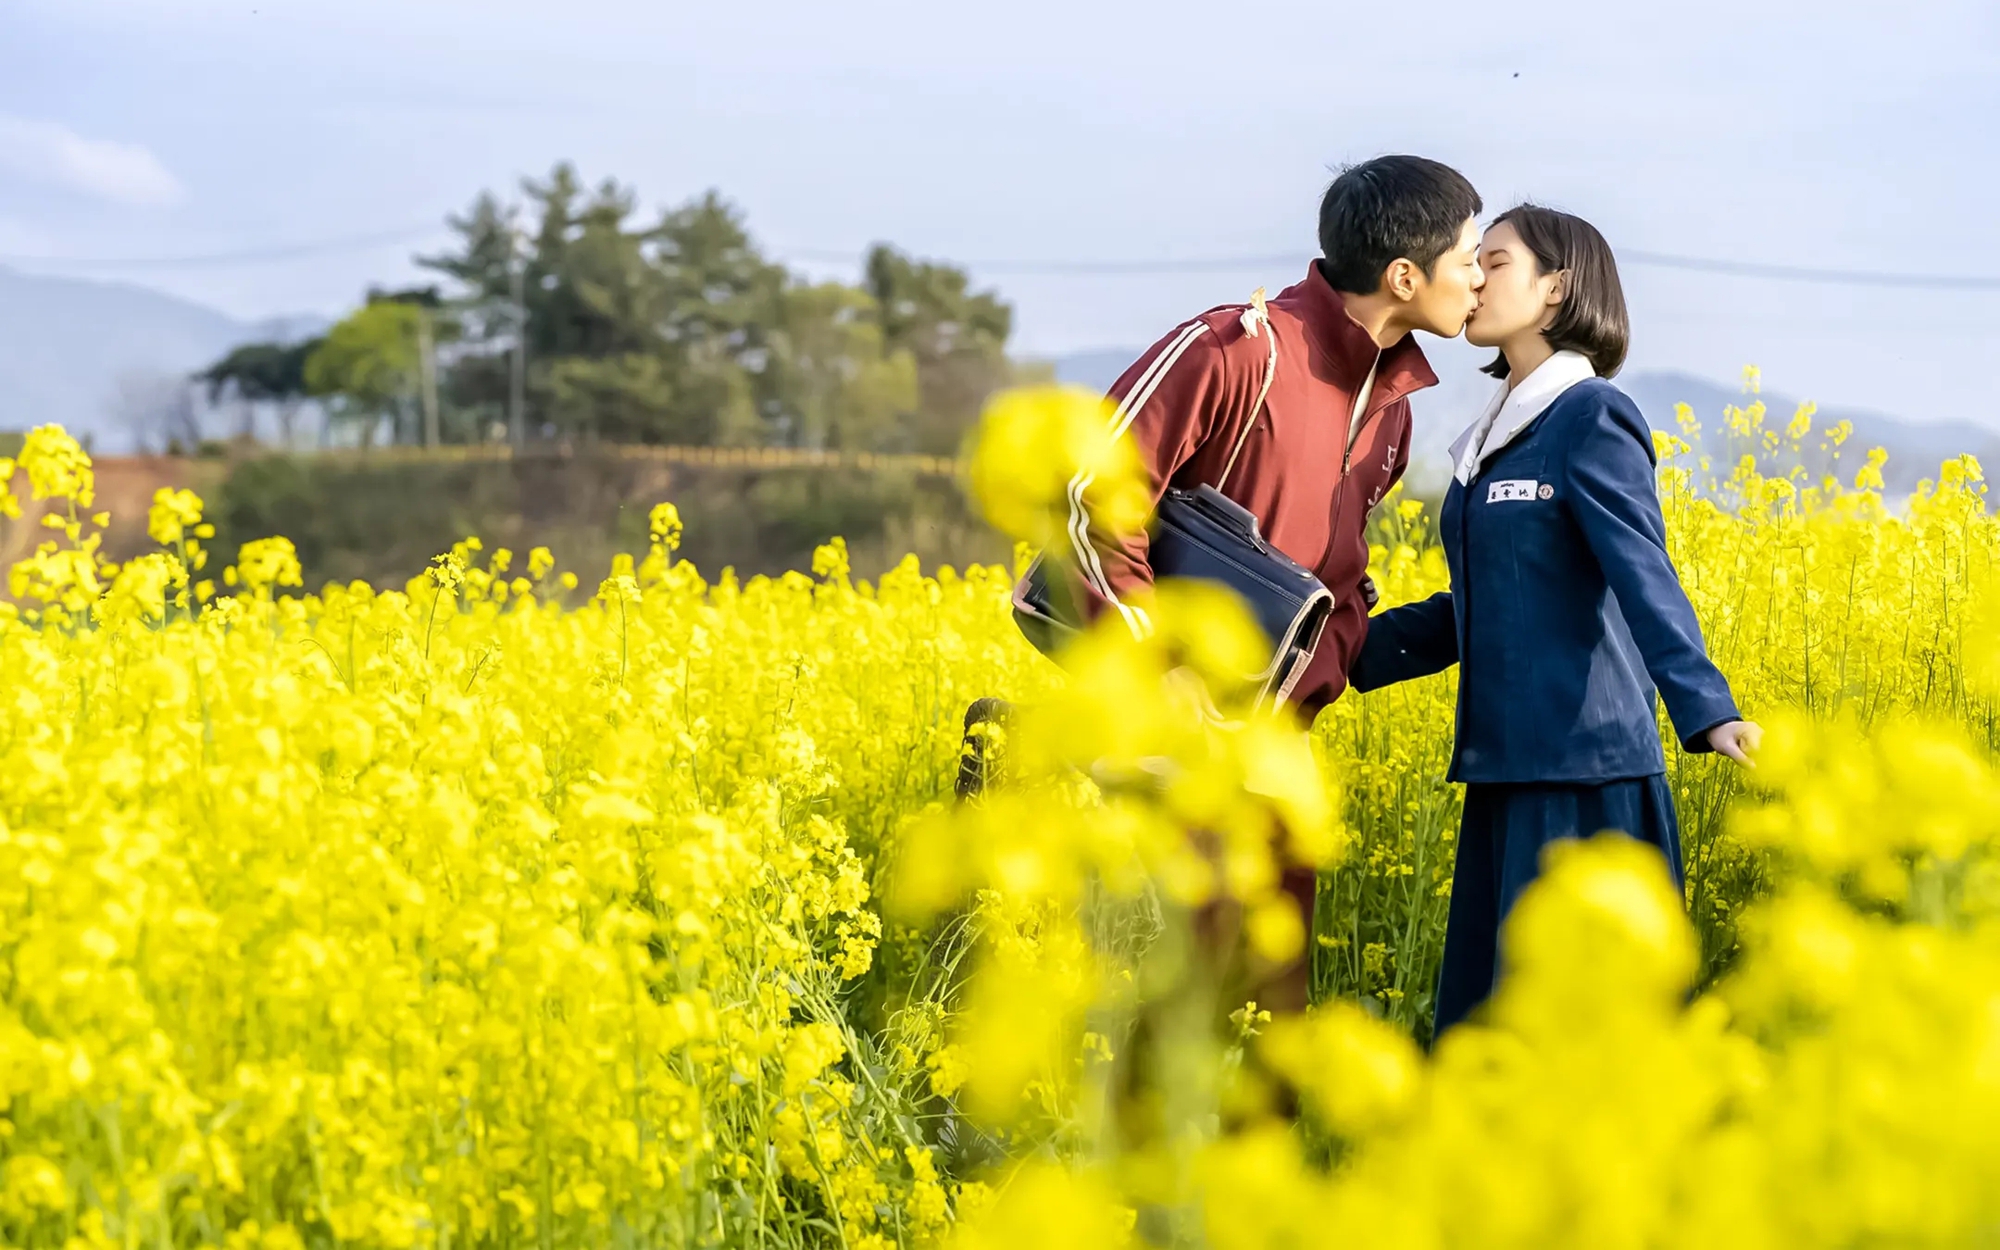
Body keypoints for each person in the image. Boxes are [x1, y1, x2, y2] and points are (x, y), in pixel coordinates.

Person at [1040, 153, 1487, 1013]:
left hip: (1278, 759)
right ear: (1404, 275)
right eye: (1468, 257)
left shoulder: (1393, 410)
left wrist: (1345, 648)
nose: (1477, 277)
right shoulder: (1236, 348)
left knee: (1264, 1026)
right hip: (1163, 751)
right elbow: (1088, 497)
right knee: (1152, 1026)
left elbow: (1341, 574)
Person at [1349, 204, 1760, 1039]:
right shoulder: (1488, 438)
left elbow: (1643, 574)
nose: (1471, 278)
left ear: (1555, 289)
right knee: (1492, 1032)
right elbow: (1486, 606)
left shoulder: (1589, 418)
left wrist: (1707, 706)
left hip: (1587, 775)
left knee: (1591, 1037)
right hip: (1503, 775)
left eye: (1493, 262)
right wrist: (1344, 650)